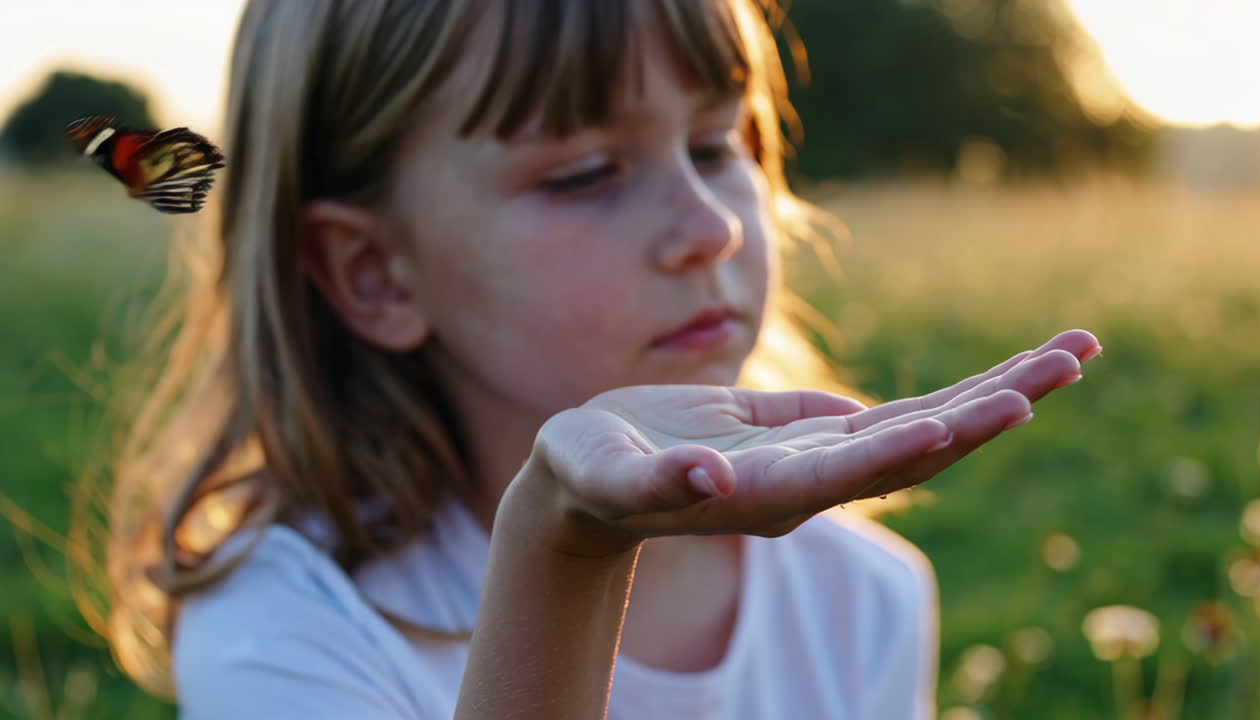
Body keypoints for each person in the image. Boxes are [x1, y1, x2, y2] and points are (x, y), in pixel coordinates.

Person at [99, 0, 1101, 717]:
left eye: (716, 145)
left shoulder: (863, 597)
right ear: (375, 274)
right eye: (584, 174)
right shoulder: (286, 625)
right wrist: (561, 549)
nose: (709, 227)